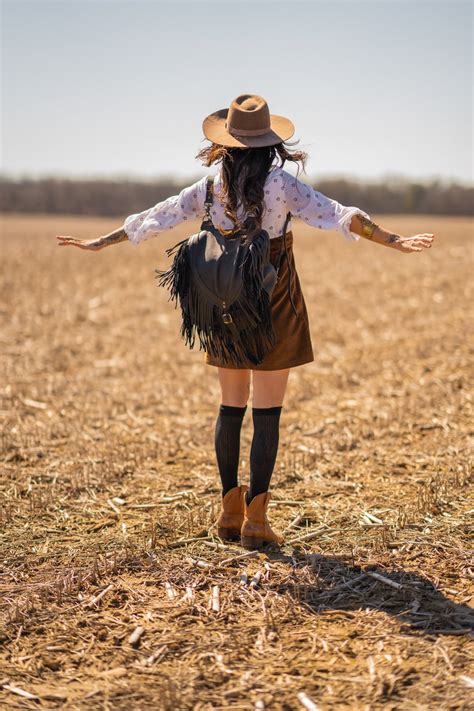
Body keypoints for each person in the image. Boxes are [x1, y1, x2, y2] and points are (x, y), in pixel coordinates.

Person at [57, 93, 434, 550]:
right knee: (267, 412)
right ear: (269, 143)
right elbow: (336, 215)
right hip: (274, 296)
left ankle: (229, 512)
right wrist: (394, 240)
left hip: (224, 298)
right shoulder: (282, 184)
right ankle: (257, 518)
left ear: (226, 143)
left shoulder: (210, 184)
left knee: (229, 408)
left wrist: (102, 240)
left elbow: (161, 215)